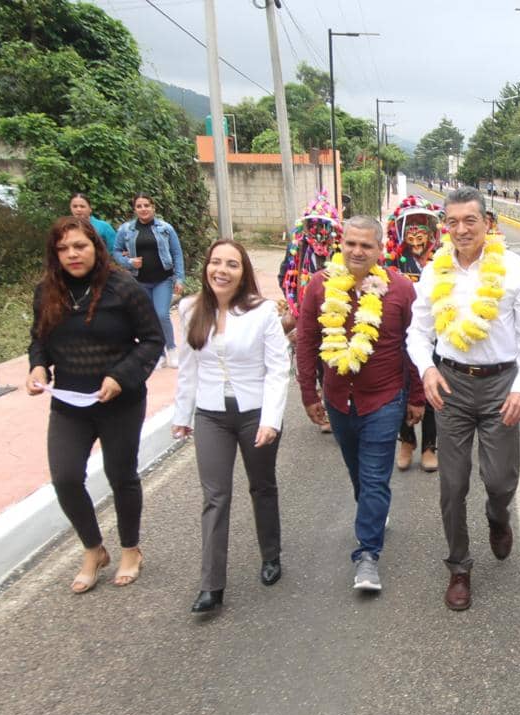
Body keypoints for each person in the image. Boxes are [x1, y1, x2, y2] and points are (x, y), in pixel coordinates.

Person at [405, 187, 520, 611]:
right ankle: (459, 567)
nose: (462, 229)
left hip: (502, 384)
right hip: (451, 386)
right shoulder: (434, 272)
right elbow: (418, 333)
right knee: (452, 484)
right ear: (444, 227)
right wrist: (426, 369)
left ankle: (498, 516)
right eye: (453, 222)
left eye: (470, 220)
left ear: (487, 223)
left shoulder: (514, 269)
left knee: (501, 480)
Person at [27, 216, 163, 593]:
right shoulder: (48, 292)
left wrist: (120, 377)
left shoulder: (123, 288)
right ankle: (93, 548)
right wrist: (38, 366)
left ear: (96, 248)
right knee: (66, 477)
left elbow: (152, 341)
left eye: (80, 246)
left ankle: (130, 548)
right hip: (70, 401)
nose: (72, 254)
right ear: (55, 254)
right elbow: (38, 340)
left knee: (121, 475)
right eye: (64, 248)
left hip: (119, 399)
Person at [297, 216, 426, 593]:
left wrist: (416, 397)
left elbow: (413, 346)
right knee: (358, 475)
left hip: (385, 399)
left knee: (373, 477)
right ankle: (373, 512)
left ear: (381, 251)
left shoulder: (400, 289)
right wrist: (309, 394)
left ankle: (368, 555)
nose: (357, 251)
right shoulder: (320, 287)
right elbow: (306, 343)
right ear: (342, 244)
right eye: (351, 243)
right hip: (338, 400)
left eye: (366, 246)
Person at [171, 240, 289, 615]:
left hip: (255, 412)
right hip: (210, 415)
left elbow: (277, 370)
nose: (222, 270)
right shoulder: (190, 309)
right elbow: (188, 366)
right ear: (206, 268)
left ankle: (271, 554)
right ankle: (211, 586)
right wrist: (181, 415)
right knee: (215, 496)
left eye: (232, 264)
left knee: (261, 485)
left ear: (243, 272)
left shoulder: (262, 312)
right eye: (215, 262)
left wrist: (271, 420)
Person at [384, 195, 444, 473]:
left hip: (438, 335)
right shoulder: (392, 263)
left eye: (423, 228)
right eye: (411, 228)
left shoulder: (442, 261)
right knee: (403, 389)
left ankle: (430, 446)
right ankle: (406, 441)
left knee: (433, 390)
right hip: (402, 337)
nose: (417, 235)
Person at [114, 193, 185, 368]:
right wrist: (129, 262)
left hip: (163, 279)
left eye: (147, 205)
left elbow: (177, 253)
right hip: (139, 281)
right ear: (135, 209)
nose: (143, 209)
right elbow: (115, 250)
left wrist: (179, 278)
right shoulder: (126, 230)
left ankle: (172, 348)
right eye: (139, 206)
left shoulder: (166, 228)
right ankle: (158, 354)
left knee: (161, 314)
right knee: (148, 317)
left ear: (153, 207)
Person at [279, 192, 342, 321]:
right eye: (313, 225)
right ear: (306, 226)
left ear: (333, 229)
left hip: (335, 313)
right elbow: (283, 278)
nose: (318, 230)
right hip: (305, 312)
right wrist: (294, 301)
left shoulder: (340, 249)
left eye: (324, 226)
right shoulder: (297, 248)